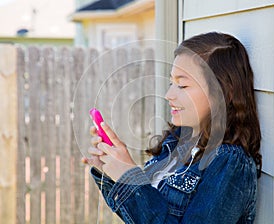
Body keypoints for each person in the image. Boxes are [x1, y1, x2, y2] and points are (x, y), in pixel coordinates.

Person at [82, 32, 262, 224]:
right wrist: (113, 172)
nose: (168, 94)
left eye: (182, 85)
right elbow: (144, 215)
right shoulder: (175, 144)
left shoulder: (229, 162)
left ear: (223, 91)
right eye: (171, 82)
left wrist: (129, 177)